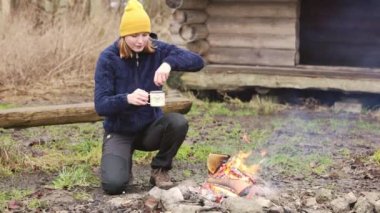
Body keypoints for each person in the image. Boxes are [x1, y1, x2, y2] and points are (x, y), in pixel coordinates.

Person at [94, 0, 204, 195]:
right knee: (114, 185)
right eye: (134, 35)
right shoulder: (108, 58)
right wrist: (126, 98)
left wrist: (168, 63)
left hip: (149, 129)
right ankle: (123, 160)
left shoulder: (157, 50)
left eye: (144, 35)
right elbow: (101, 105)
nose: (140, 41)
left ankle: (160, 170)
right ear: (124, 35)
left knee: (178, 122)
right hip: (120, 131)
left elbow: (198, 61)